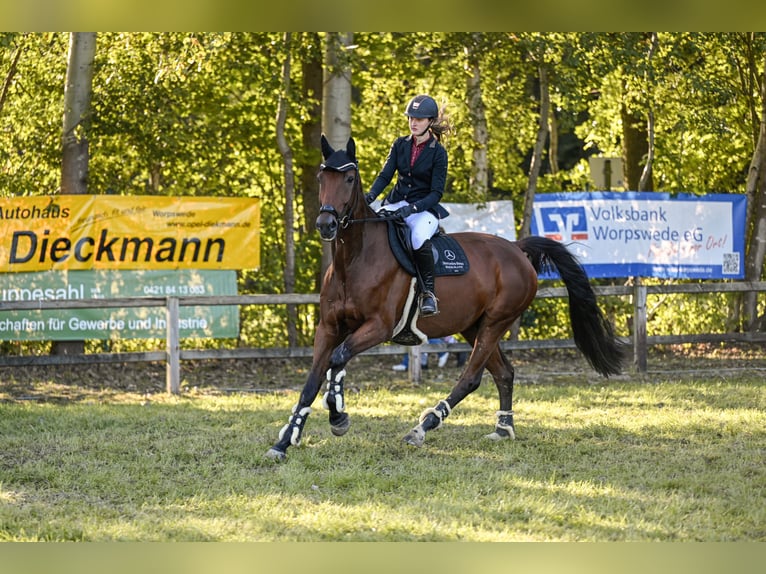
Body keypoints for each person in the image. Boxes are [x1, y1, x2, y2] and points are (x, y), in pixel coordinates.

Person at [365, 94, 453, 317]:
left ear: (430, 122)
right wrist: (371, 195)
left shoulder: (438, 153)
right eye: (411, 118)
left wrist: (413, 209)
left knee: (417, 238)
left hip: (424, 209)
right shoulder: (400, 144)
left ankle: (428, 294)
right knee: (371, 228)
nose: (413, 122)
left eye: (419, 119)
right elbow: (385, 176)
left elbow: (436, 193)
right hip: (396, 202)